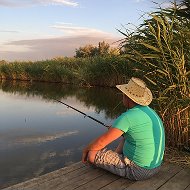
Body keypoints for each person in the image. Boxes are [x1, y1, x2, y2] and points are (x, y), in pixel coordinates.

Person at [82, 77, 165, 180]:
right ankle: (116, 155)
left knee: (92, 154)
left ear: (127, 97)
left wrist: (86, 150)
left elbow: (101, 142)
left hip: (137, 170)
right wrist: (116, 130)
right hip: (155, 167)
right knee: (126, 136)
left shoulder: (127, 117)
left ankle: (118, 162)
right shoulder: (151, 112)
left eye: (123, 95)